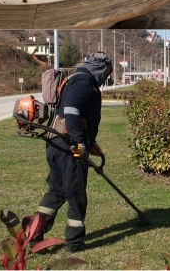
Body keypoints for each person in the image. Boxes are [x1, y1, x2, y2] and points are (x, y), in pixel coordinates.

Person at [33, 52, 113, 254]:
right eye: (106, 73)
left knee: (57, 191)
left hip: (57, 144)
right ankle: (74, 243)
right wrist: (79, 143)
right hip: (69, 147)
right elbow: (71, 111)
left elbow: (80, 115)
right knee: (76, 194)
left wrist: (91, 141)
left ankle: (33, 238)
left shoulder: (76, 79)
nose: (105, 78)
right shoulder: (83, 81)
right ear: (101, 68)